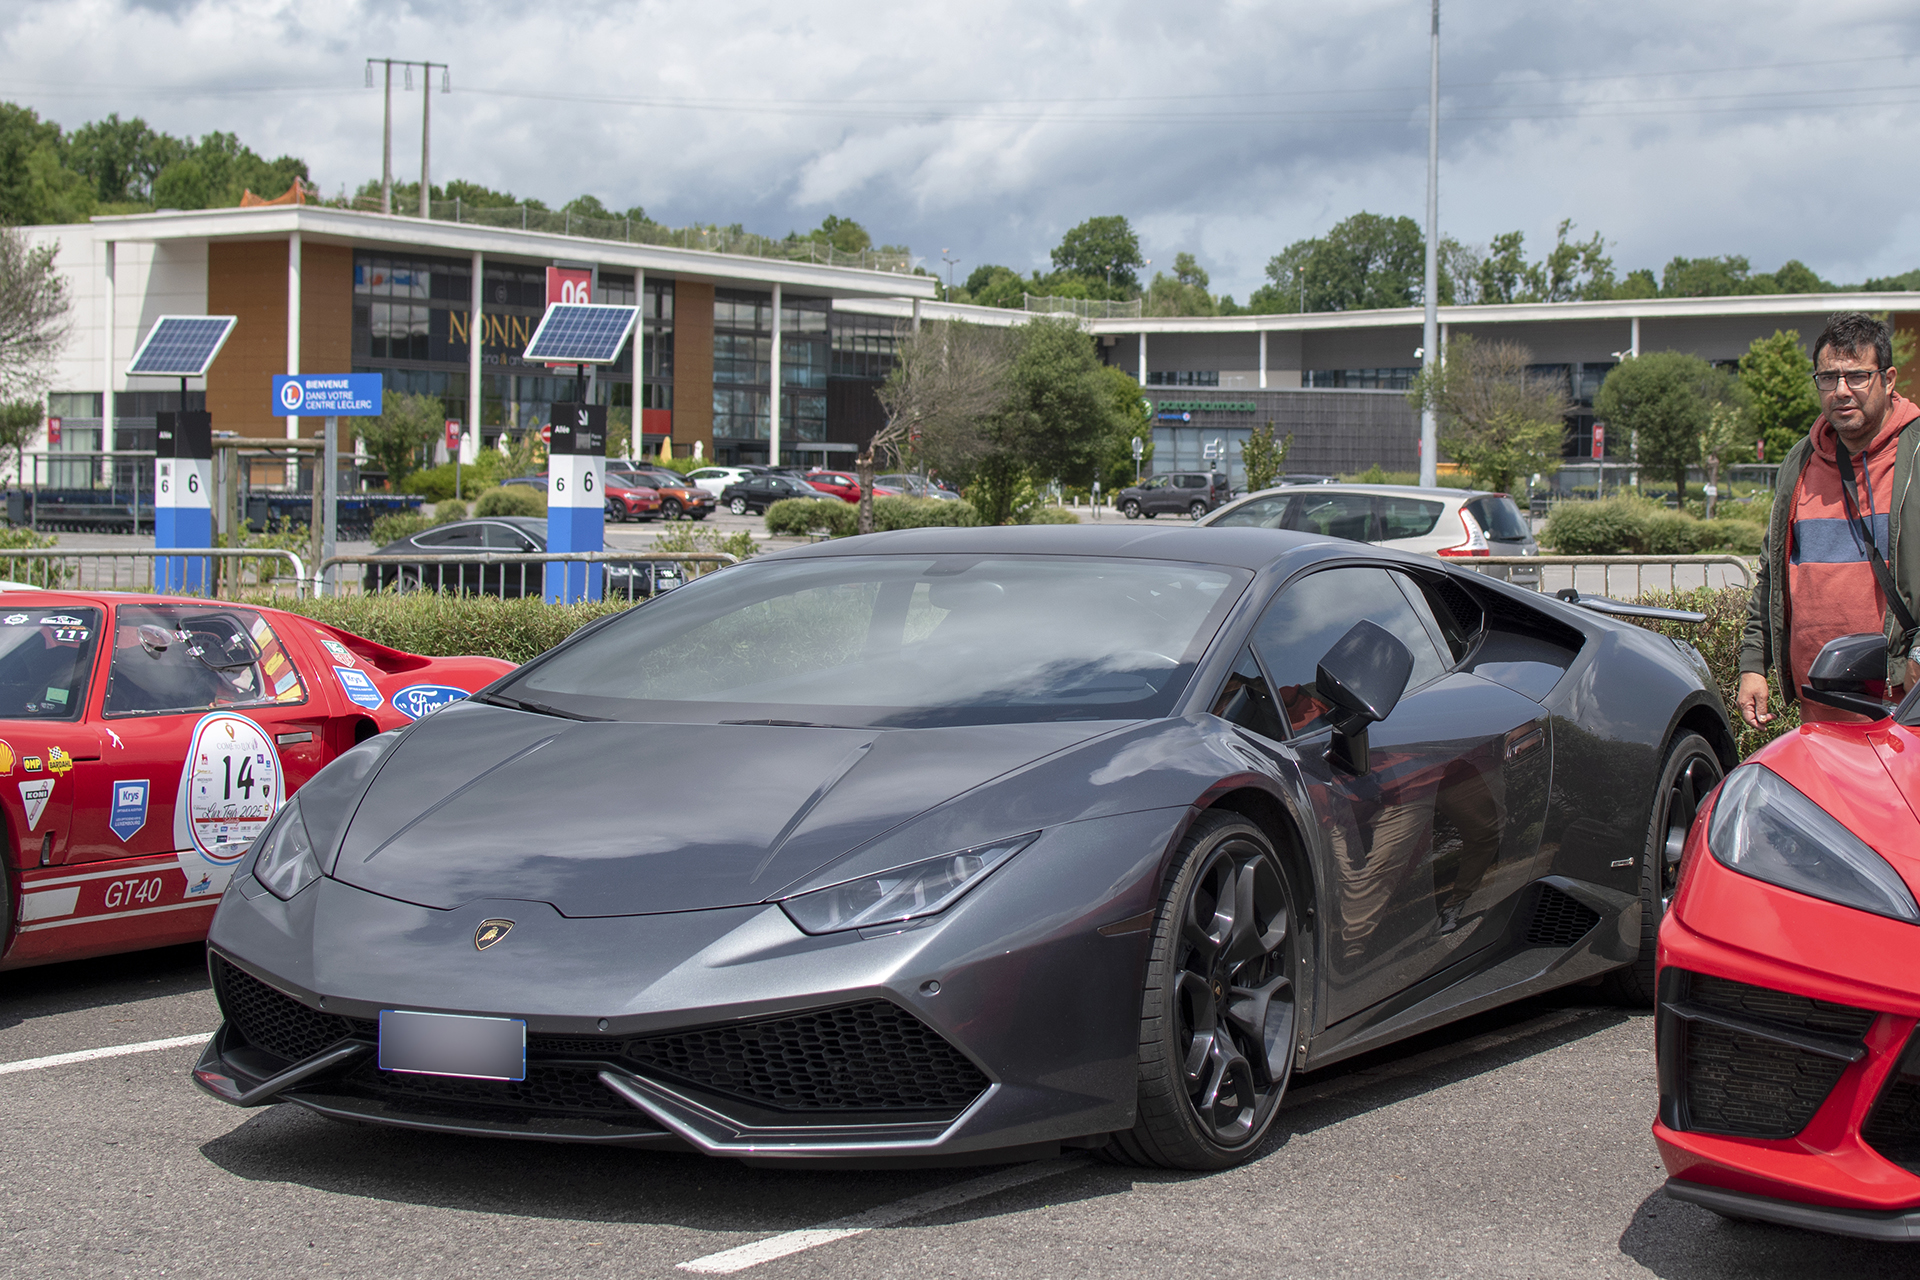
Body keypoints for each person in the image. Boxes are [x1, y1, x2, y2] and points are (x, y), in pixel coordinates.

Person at [1738, 313, 1920, 727]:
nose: (1841, 391)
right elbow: (1772, 576)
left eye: (1857, 376)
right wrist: (1754, 663)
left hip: (1906, 700)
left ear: (1888, 379)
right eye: (1827, 377)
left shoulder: (1916, 455)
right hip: (1820, 705)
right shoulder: (1799, 460)